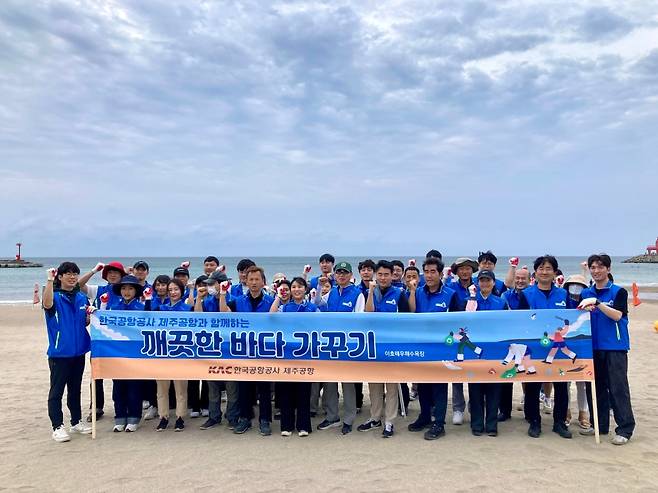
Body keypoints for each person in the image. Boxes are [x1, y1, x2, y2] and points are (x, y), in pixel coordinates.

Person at [579, 254, 635, 445]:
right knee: (595, 388)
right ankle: (599, 425)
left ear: (608, 269)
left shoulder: (618, 292)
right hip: (592, 347)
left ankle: (625, 429)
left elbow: (618, 315)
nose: (596, 271)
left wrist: (598, 304)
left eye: (600, 267)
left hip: (614, 347)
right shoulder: (586, 293)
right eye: (593, 267)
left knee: (618, 388)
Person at [516, 255, 571, 439]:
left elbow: (571, 317)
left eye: (548, 268)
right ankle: (534, 421)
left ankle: (559, 423)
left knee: (562, 385)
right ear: (535, 272)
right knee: (532, 384)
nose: (545, 271)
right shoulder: (527, 294)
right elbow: (522, 321)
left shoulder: (564, 295)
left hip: (557, 346)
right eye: (541, 268)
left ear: (555, 272)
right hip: (536, 346)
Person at [407, 257, 461, 441]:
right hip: (421, 346)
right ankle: (424, 416)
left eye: (433, 272)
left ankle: (439, 423)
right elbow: (411, 314)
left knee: (439, 385)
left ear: (440, 274)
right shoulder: (418, 292)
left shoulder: (450, 294)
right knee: (423, 384)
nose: (429, 276)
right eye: (426, 272)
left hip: (441, 348)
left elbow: (457, 321)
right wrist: (412, 292)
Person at [220, 265, 275, 435]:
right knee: (244, 387)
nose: (253, 282)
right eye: (250, 279)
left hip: (264, 353)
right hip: (243, 352)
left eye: (257, 279)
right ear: (246, 280)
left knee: (264, 390)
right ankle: (244, 419)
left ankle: (265, 420)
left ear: (263, 281)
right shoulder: (238, 301)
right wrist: (222, 293)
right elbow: (224, 313)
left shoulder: (271, 302)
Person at [359, 260, 410, 438]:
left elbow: (406, 320)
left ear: (392, 276)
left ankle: (389, 421)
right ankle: (375, 418)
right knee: (374, 385)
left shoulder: (399, 294)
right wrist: (371, 292)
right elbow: (368, 314)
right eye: (379, 274)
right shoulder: (369, 292)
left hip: (392, 347)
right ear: (375, 275)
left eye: (386, 274)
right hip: (373, 346)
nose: (382, 277)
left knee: (391, 387)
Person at [43, 262, 92, 442]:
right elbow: (46, 304)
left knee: (75, 389)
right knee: (56, 391)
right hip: (59, 354)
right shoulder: (54, 296)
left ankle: (76, 421)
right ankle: (57, 426)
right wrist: (49, 280)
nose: (72, 277)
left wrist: (90, 316)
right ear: (60, 277)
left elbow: (85, 321)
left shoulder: (81, 297)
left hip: (78, 352)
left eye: (75, 274)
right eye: (68, 274)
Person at [315, 261, 365, 435]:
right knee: (329, 382)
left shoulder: (357, 294)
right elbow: (318, 304)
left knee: (348, 383)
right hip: (330, 344)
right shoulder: (332, 293)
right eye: (339, 273)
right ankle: (332, 416)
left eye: (345, 273)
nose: (341, 275)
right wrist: (320, 287)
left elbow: (359, 319)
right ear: (335, 275)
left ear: (351, 276)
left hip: (348, 345)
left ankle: (349, 418)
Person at [77, 261, 127, 422]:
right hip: (99, 342)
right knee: (97, 375)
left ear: (121, 275)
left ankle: (121, 406)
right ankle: (96, 407)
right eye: (109, 272)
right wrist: (93, 270)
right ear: (105, 275)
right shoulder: (98, 290)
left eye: (116, 272)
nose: (113, 275)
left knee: (119, 376)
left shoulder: (126, 291)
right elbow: (79, 285)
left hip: (119, 343)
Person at [270, 277, 318, 437]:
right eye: (294, 287)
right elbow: (271, 316)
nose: (297, 289)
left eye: (300, 286)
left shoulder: (312, 308)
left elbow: (320, 326)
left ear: (305, 289)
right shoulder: (284, 308)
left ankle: (304, 426)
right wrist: (278, 295)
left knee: (304, 392)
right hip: (286, 355)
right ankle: (287, 425)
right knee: (285, 392)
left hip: (305, 355)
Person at [195, 270, 240, 430]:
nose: (208, 287)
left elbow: (225, 316)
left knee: (231, 387)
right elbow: (198, 317)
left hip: (230, 350)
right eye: (207, 284)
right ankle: (214, 417)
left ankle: (232, 417)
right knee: (212, 387)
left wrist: (222, 294)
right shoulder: (207, 301)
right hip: (212, 349)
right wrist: (199, 298)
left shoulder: (234, 300)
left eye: (211, 284)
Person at [468, 270, 508, 437]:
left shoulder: (500, 302)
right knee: (475, 389)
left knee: (493, 389)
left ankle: (491, 425)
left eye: (488, 280)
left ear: (493, 283)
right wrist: (471, 300)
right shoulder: (469, 302)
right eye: (481, 281)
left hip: (494, 352)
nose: (484, 284)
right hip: (474, 352)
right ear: (477, 283)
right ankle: (477, 425)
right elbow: (465, 322)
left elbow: (506, 326)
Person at [108, 275, 145, 432]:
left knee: (134, 387)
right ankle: (119, 417)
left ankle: (134, 418)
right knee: (118, 388)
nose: (127, 291)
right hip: (118, 353)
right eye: (123, 288)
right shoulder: (113, 307)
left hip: (136, 354)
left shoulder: (142, 308)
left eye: (130, 288)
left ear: (136, 291)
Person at [444, 257, 479, 425]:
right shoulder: (450, 288)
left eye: (468, 268)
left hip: (477, 333)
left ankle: (475, 407)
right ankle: (458, 408)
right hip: (457, 334)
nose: (464, 271)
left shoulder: (480, 286)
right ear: (456, 272)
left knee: (474, 371)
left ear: (472, 270)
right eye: (461, 269)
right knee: (457, 371)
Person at [154, 278, 191, 431]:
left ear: (181, 291)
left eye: (176, 289)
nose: (173, 292)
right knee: (161, 389)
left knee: (180, 388)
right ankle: (163, 417)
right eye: (170, 290)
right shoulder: (161, 309)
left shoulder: (188, 309)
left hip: (181, 353)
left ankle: (180, 417)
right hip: (162, 353)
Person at [498, 267, 531, 421]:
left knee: (529, 374)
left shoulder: (531, 295)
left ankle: (530, 413)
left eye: (523, 278)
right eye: (517, 278)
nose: (519, 281)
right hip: (509, 338)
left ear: (530, 279)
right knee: (507, 374)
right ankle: (505, 411)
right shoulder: (505, 295)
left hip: (528, 338)